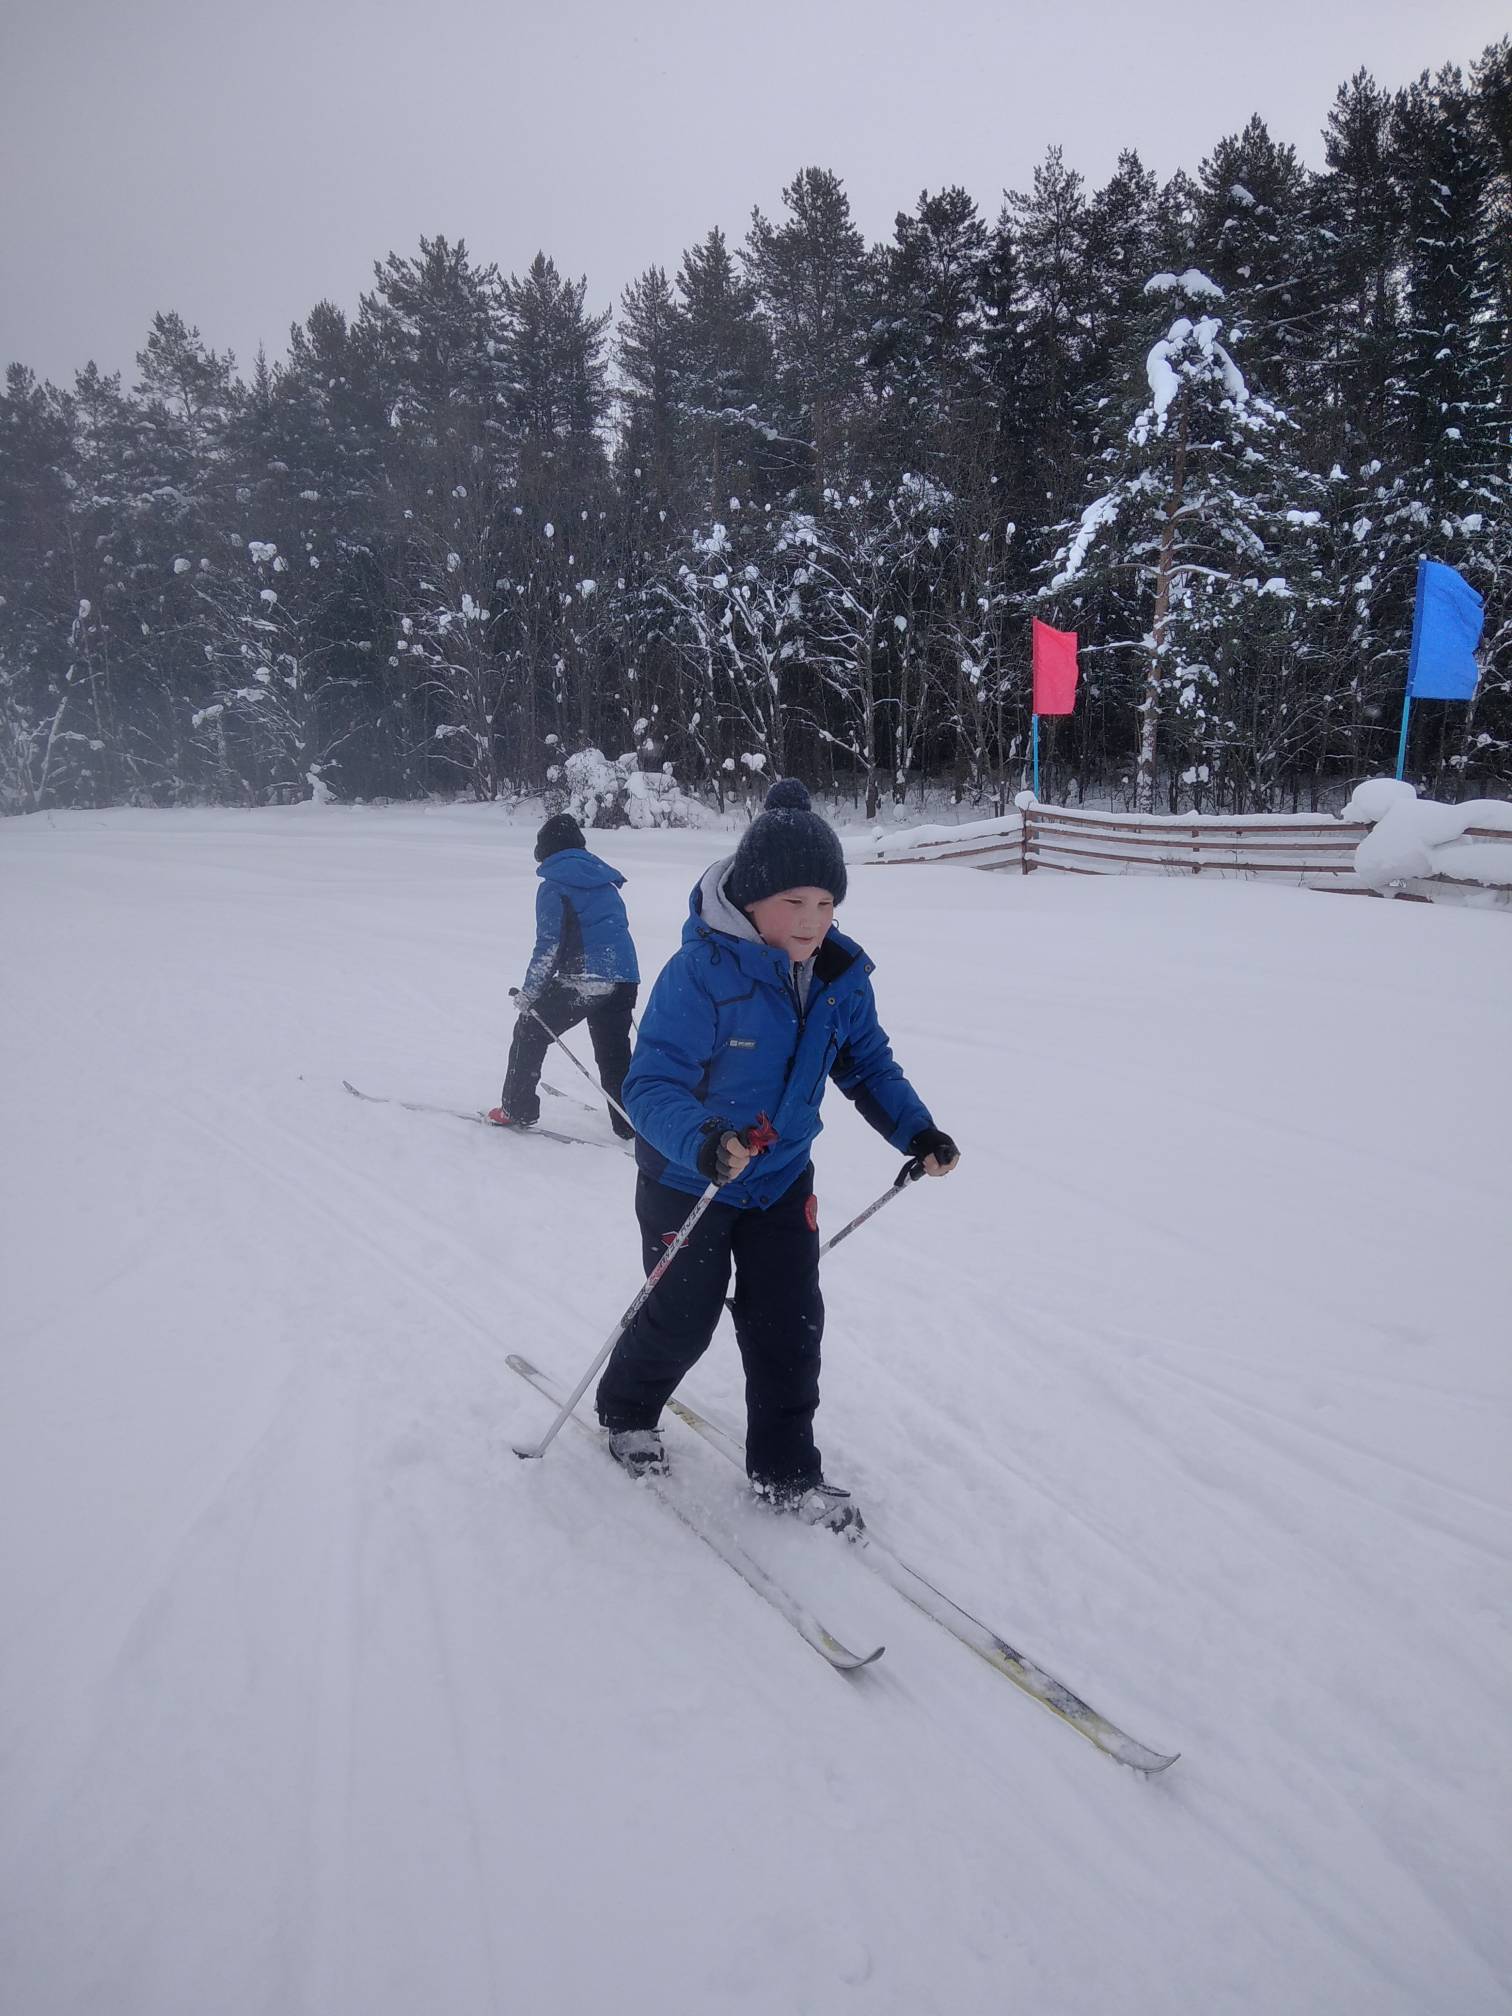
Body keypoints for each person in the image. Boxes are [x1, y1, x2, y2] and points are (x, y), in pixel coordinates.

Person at [594, 778, 959, 1531]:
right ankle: (629, 1410)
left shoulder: (839, 980)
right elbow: (652, 1080)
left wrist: (916, 1132)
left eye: (826, 905)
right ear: (751, 898)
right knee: (682, 1318)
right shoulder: (700, 974)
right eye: (794, 903)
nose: (812, 921)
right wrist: (702, 1141)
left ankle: (788, 1470)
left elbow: (868, 1066)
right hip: (688, 1177)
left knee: (789, 1324)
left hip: (782, 1179)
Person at [488, 813, 639, 1141]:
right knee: (614, 1053)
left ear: (546, 852)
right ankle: (630, 1123)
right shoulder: (605, 881)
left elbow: (549, 945)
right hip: (625, 976)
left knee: (530, 1029)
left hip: (586, 977)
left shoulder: (554, 886)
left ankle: (517, 1107)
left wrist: (529, 994)